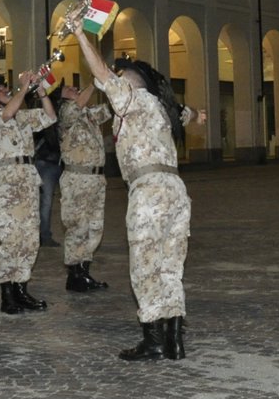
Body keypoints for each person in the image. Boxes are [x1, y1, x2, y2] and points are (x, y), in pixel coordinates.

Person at [73, 27, 204, 359]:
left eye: (123, 77)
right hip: (176, 191)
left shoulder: (132, 99)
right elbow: (188, 113)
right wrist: (198, 115)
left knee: (145, 266)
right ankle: (175, 340)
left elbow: (101, 73)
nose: (117, 81)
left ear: (132, 81)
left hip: (148, 191)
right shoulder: (163, 106)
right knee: (171, 266)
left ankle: (153, 340)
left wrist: (79, 33)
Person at [0, 72, 57, 314]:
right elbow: (7, 113)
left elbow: (50, 116)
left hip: (28, 177)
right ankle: (7, 293)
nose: (6, 90)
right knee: (11, 237)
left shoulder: (21, 115)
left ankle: (21, 288)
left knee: (29, 237)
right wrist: (23, 87)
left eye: (5, 88)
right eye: (0, 89)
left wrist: (40, 91)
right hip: (9, 179)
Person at [56, 81, 112, 290]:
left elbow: (110, 108)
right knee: (78, 226)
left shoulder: (87, 114)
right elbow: (77, 104)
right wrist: (95, 82)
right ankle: (74, 273)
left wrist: (117, 84)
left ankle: (85, 271)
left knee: (95, 226)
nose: (74, 88)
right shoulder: (65, 113)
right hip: (77, 179)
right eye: (68, 88)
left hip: (97, 179)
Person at [34, 92, 63, 247]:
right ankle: (43, 235)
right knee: (45, 202)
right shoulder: (44, 117)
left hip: (56, 162)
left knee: (47, 201)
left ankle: (44, 234)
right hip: (46, 162)